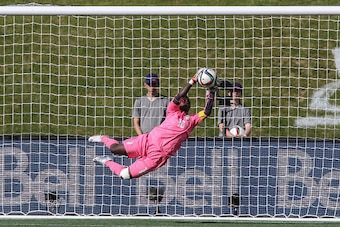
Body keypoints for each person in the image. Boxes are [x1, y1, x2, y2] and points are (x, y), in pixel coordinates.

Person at [88, 70, 217, 179]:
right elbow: (179, 95)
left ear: (188, 105)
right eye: (181, 99)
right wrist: (192, 81)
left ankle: (107, 162)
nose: (182, 99)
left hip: (157, 156)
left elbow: (206, 111)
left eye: (186, 100)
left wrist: (211, 91)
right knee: (114, 149)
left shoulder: (191, 121)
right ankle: (103, 138)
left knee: (125, 175)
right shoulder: (172, 110)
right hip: (146, 141)